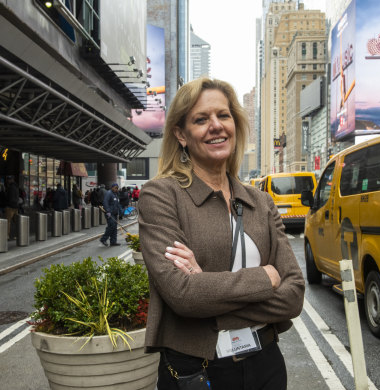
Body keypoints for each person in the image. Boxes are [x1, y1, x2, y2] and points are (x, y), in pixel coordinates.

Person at [138, 78, 305, 390]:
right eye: (201, 119)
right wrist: (265, 278)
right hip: (198, 371)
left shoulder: (260, 201)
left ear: (235, 124)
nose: (215, 126)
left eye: (223, 116)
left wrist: (208, 292)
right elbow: (182, 295)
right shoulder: (161, 195)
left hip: (266, 362)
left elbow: (294, 295)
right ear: (180, 134)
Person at [100, 183, 120, 247]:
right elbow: (105, 202)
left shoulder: (115, 194)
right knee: (111, 226)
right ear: (112, 187)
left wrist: (121, 212)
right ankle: (103, 239)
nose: (116, 189)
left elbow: (117, 204)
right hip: (109, 213)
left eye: (117, 188)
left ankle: (113, 241)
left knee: (114, 227)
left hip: (114, 213)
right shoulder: (109, 193)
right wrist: (108, 211)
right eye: (115, 188)